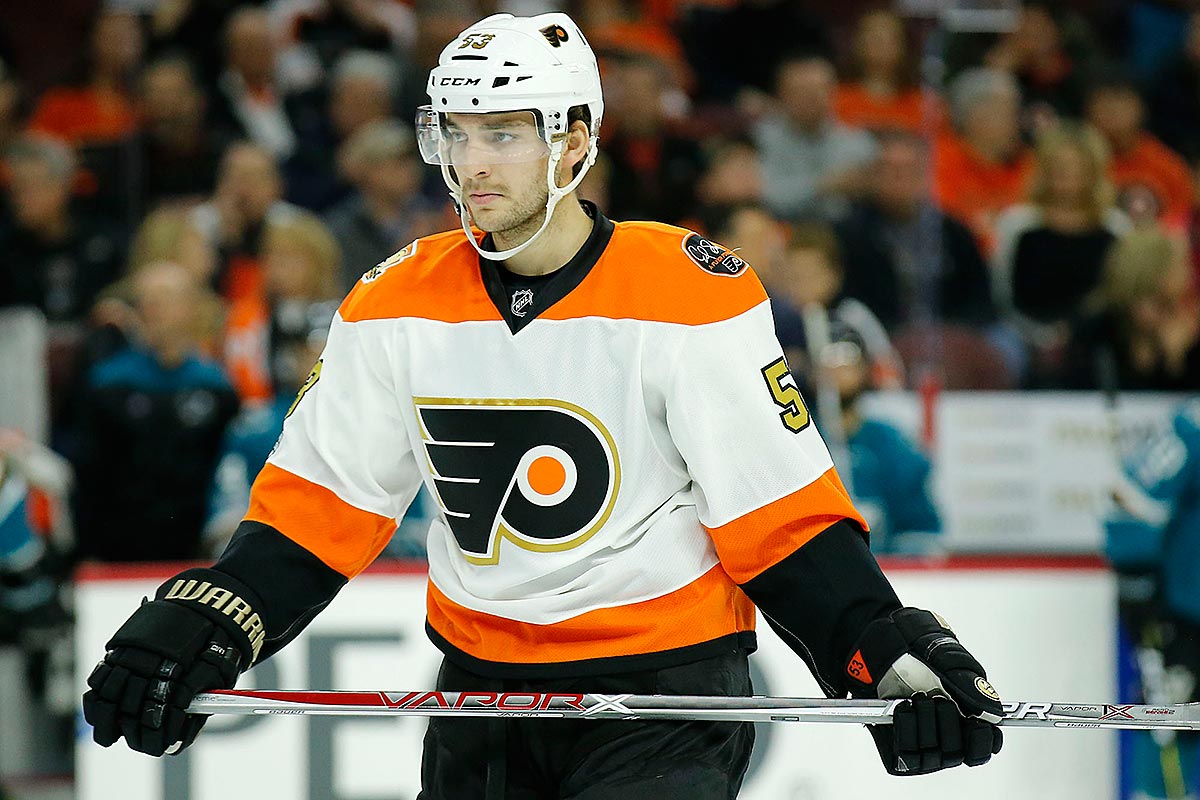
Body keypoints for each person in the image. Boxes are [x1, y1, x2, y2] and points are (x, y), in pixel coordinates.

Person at [82, 13, 1004, 796]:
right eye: (456, 133)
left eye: (502, 134)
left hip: (662, 702)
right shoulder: (393, 300)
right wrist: (215, 614)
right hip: (480, 697)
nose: (470, 164)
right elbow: (322, 506)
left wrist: (877, 645)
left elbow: (778, 516)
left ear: (572, 140)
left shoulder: (689, 293)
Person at [72, 260, 239, 562]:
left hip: (195, 549)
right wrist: (86, 550)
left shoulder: (218, 388)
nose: (153, 309)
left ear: (191, 308)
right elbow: (89, 473)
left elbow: (225, 473)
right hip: (117, 548)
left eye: (165, 299)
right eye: (146, 300)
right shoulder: (108, 384)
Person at [1106, 398, 1200, 799]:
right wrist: (1135, 579)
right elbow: (1131, 498)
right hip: (1186, 615)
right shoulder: (1193, 426)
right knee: (1169, 720)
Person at [753, 53, 877, 221]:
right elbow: (764, 196)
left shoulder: (860, 144)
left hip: (845, 231)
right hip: (778, 228)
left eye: (819, 89)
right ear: (781, 95)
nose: (812, 98)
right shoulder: (761, 139)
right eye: (802, 91)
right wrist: (824, 185)